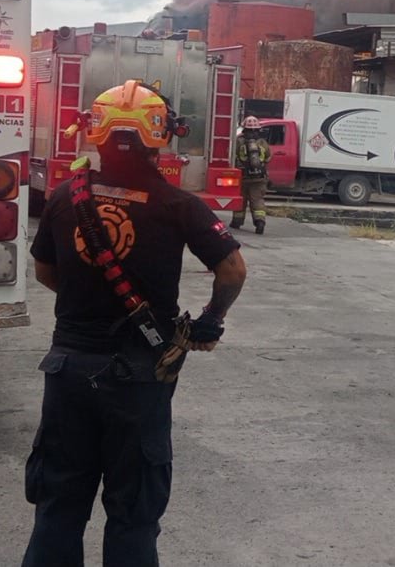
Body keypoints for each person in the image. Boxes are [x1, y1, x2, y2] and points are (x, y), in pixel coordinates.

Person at [23, 81, 249, 567]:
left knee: (58, 507)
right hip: (139, 378)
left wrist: (86, 300)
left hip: (68, 371)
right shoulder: (177, 205)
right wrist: (210, 321)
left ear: (94, 132)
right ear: (161, 137)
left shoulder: (65, 196)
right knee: (133, 515)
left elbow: (44, 271)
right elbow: (232, 270)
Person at [231, 116, 272, 234]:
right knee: (257, 200)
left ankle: (237, 221)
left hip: (243, 177)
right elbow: (268, 157)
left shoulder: (239, 141)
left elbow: (232, 155)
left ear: (244, 128)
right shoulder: (262, 142)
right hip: (259, 178)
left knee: (241, 199)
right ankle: (260, 222)